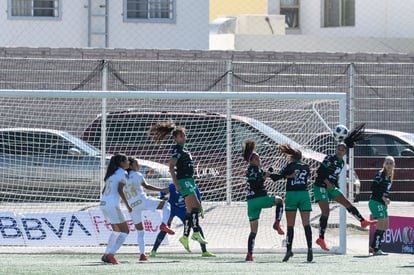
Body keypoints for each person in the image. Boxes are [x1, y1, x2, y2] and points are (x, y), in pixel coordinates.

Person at [148, 121, 208, 253]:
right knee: (195, 207)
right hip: (183, 180)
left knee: (190, 210)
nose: (184, 138)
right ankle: (195, 233)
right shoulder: (177, 149)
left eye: (185, 135)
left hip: (189, 180)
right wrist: (175, 183)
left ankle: (186, 237)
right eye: (182, 136)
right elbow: (171, 166)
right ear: (175, 138)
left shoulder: (184, 149)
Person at [314, 139, 377, 251]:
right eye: (338, 148)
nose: (340, 151)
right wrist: (328, 183)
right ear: (336, 149)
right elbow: (319, 172)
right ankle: (321, 239)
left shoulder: (342, 163)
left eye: (342, 150)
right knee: (326, 211)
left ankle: (362, 221)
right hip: (320, 186)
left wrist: (333, 186)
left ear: (345, 153)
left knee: (347, 203)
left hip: (331, 187)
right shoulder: (329, 158)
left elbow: (334, 176)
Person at [124, 157, 176, 261]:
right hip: (143, 201)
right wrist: (162, 190)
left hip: (132, 206)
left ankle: (142, 254)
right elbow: (147, 186)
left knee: (140, 232)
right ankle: (164, 224)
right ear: (130, 166)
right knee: (166, 205)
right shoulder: (137, 175)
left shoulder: (122, 177)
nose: (138, 166)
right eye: (136, 164)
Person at [269, 144, 313, 262]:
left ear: (292, 156)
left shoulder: (289, 165)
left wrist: (269, 174)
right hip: (304, 194)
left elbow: (279, 177)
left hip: (292, 194)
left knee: (290, 225)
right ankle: (310, 249)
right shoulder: (306, 166)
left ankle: (289, 250)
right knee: (306, 224)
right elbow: (306, 176)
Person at [242, 139, 284, 262]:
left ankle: (249, 254)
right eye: (258, 159)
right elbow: (260, 179)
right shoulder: (254, 169)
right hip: (260, 198)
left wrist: (274, 174)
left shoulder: (253, 169)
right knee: (280, 201)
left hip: (251, 203)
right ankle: (277, 223)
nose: (260, 161)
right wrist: (267, 176)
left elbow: (269, 176)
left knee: (253, 231)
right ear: (252, 160)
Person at [150, 183, 215, 257]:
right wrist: (160, 197)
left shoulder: (193, 186)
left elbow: (198, 200)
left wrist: (200, 209)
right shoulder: (173, 186)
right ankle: (153, 251)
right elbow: (162, 193)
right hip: (171, 208)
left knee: (196, 226)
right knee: (165, 227)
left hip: (183, 210)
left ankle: (204, 251)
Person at [100, 153, 131, 264]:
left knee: (116, 230)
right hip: (113, 204)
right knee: (125, 231)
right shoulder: (123, 173)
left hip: (103, 203)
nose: (128, 162)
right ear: (121, 163)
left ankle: (106, 254)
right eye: (127, 160)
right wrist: (128, 205)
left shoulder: (111, 174)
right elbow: (119, 189)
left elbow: (103, 191)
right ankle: (111, 254)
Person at [369, 156, 395, 256]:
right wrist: (383, 198)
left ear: (394, 165)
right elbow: (373, 187)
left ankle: (373, 246)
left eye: (391, 163)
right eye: (387, 163)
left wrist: (386, 199)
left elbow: (383, 190)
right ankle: (376, 249)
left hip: (380, 202)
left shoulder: (389, 176)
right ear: (383, 164)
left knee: (385, 225)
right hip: (375, 202)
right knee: (381, 225)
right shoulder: (381, 174)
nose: (389, 165)